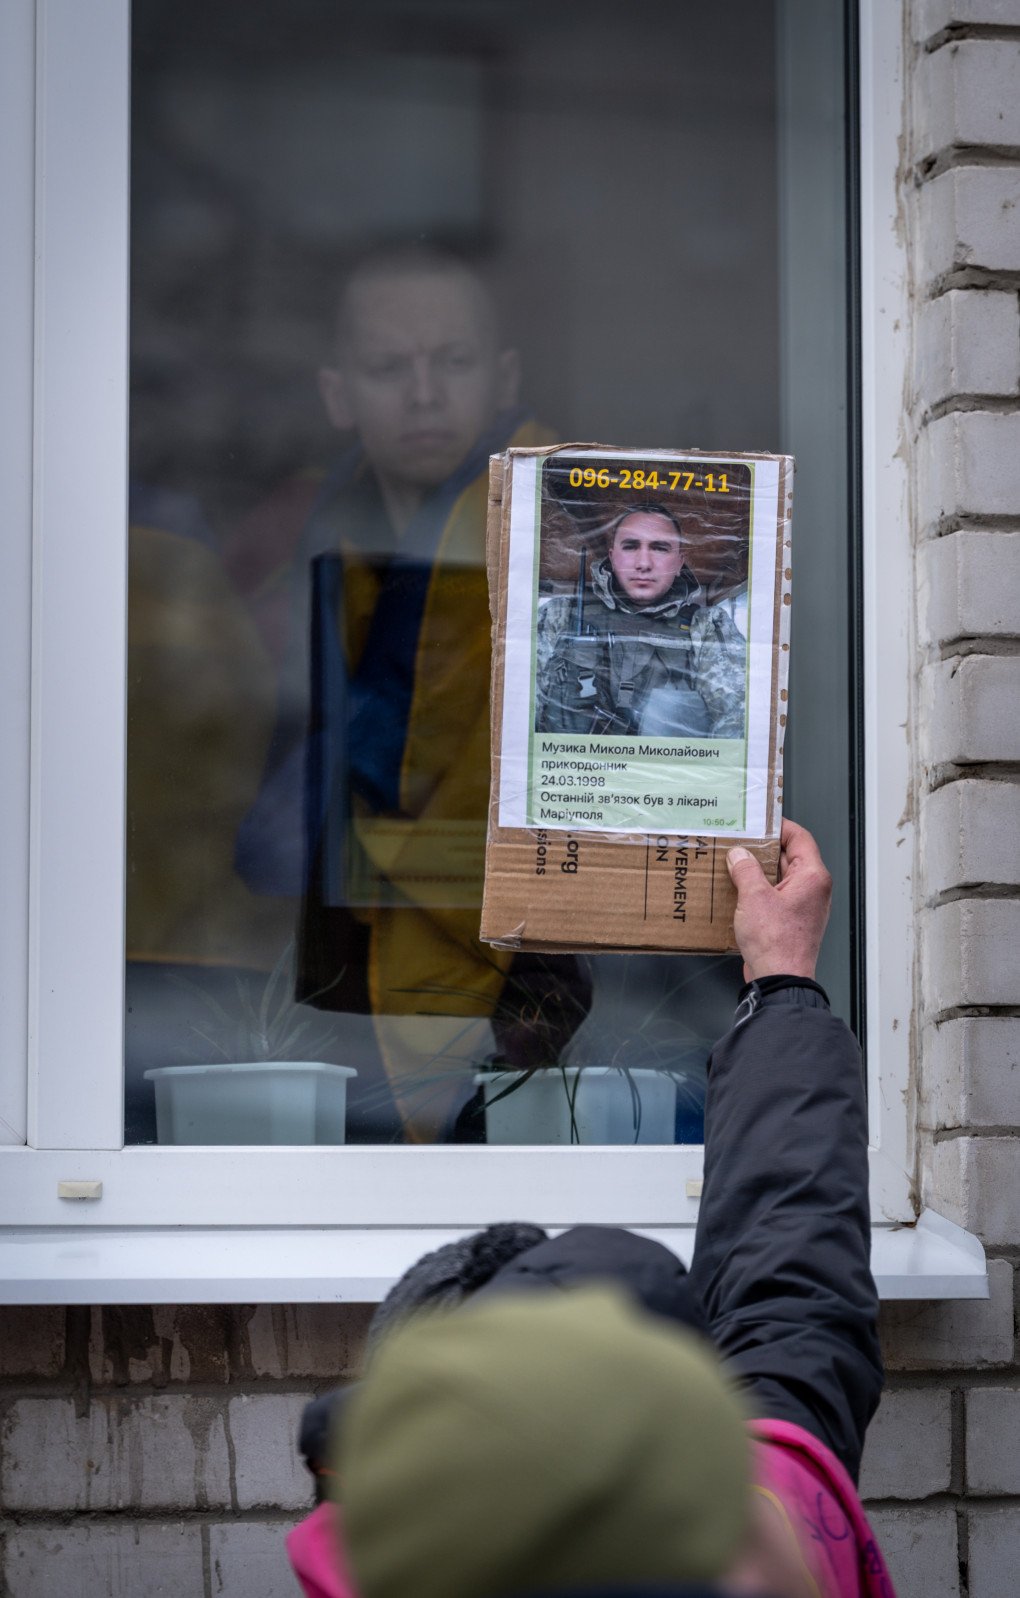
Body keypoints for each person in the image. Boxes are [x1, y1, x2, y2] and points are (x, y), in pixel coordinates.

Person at [287, 818, 894, 1598]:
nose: (530, 1024)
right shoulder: (773, 1528)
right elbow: (797, 1299)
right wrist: (781, 979)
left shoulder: (397, 1557)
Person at [232, 244, 582, 1141]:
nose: (424, 393)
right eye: (391, 366)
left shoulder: (571, 521)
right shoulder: (322, 528)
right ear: (337, 391)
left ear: (502, 375)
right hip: (353, 969)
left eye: (453, 362)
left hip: (528, 977)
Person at [535, 503, 747, 739]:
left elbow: (737, 721)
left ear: (679, 562)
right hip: (574, 773)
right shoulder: (560, 615)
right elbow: (519, 707)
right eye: (631, 546)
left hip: (670, 773)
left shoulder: (706, 626)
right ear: (613, 558)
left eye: (659, 548)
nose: (644, 564)